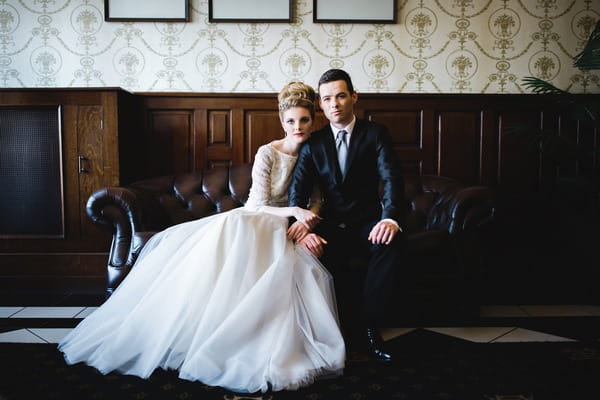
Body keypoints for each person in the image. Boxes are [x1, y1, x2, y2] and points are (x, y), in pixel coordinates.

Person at [58, 82, 345, 393]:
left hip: (285, 225)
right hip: (254, 220)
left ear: (314, 119)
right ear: (282, 121)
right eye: (291, 121)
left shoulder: (316, 151)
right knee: (243, 244)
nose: (298, 127)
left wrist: (308, 220)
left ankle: (266, 337)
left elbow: (318, 198)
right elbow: (257, 205)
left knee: (297, 270)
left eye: (304, 120)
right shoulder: (268, 152)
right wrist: (295, 212)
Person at [288, 69, 405, 363]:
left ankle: (369, 328)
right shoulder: (313, 144)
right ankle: (332, 333)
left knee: (389, 245)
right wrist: (304, 229)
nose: (335, 104)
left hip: (368, 222)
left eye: (341, 96)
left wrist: (389, 218)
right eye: (327, 99)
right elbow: (297, 194)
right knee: (311, 253)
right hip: (329, 224)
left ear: (354, 97)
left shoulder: (375, 134)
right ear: (320, 105)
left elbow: (391, 178)